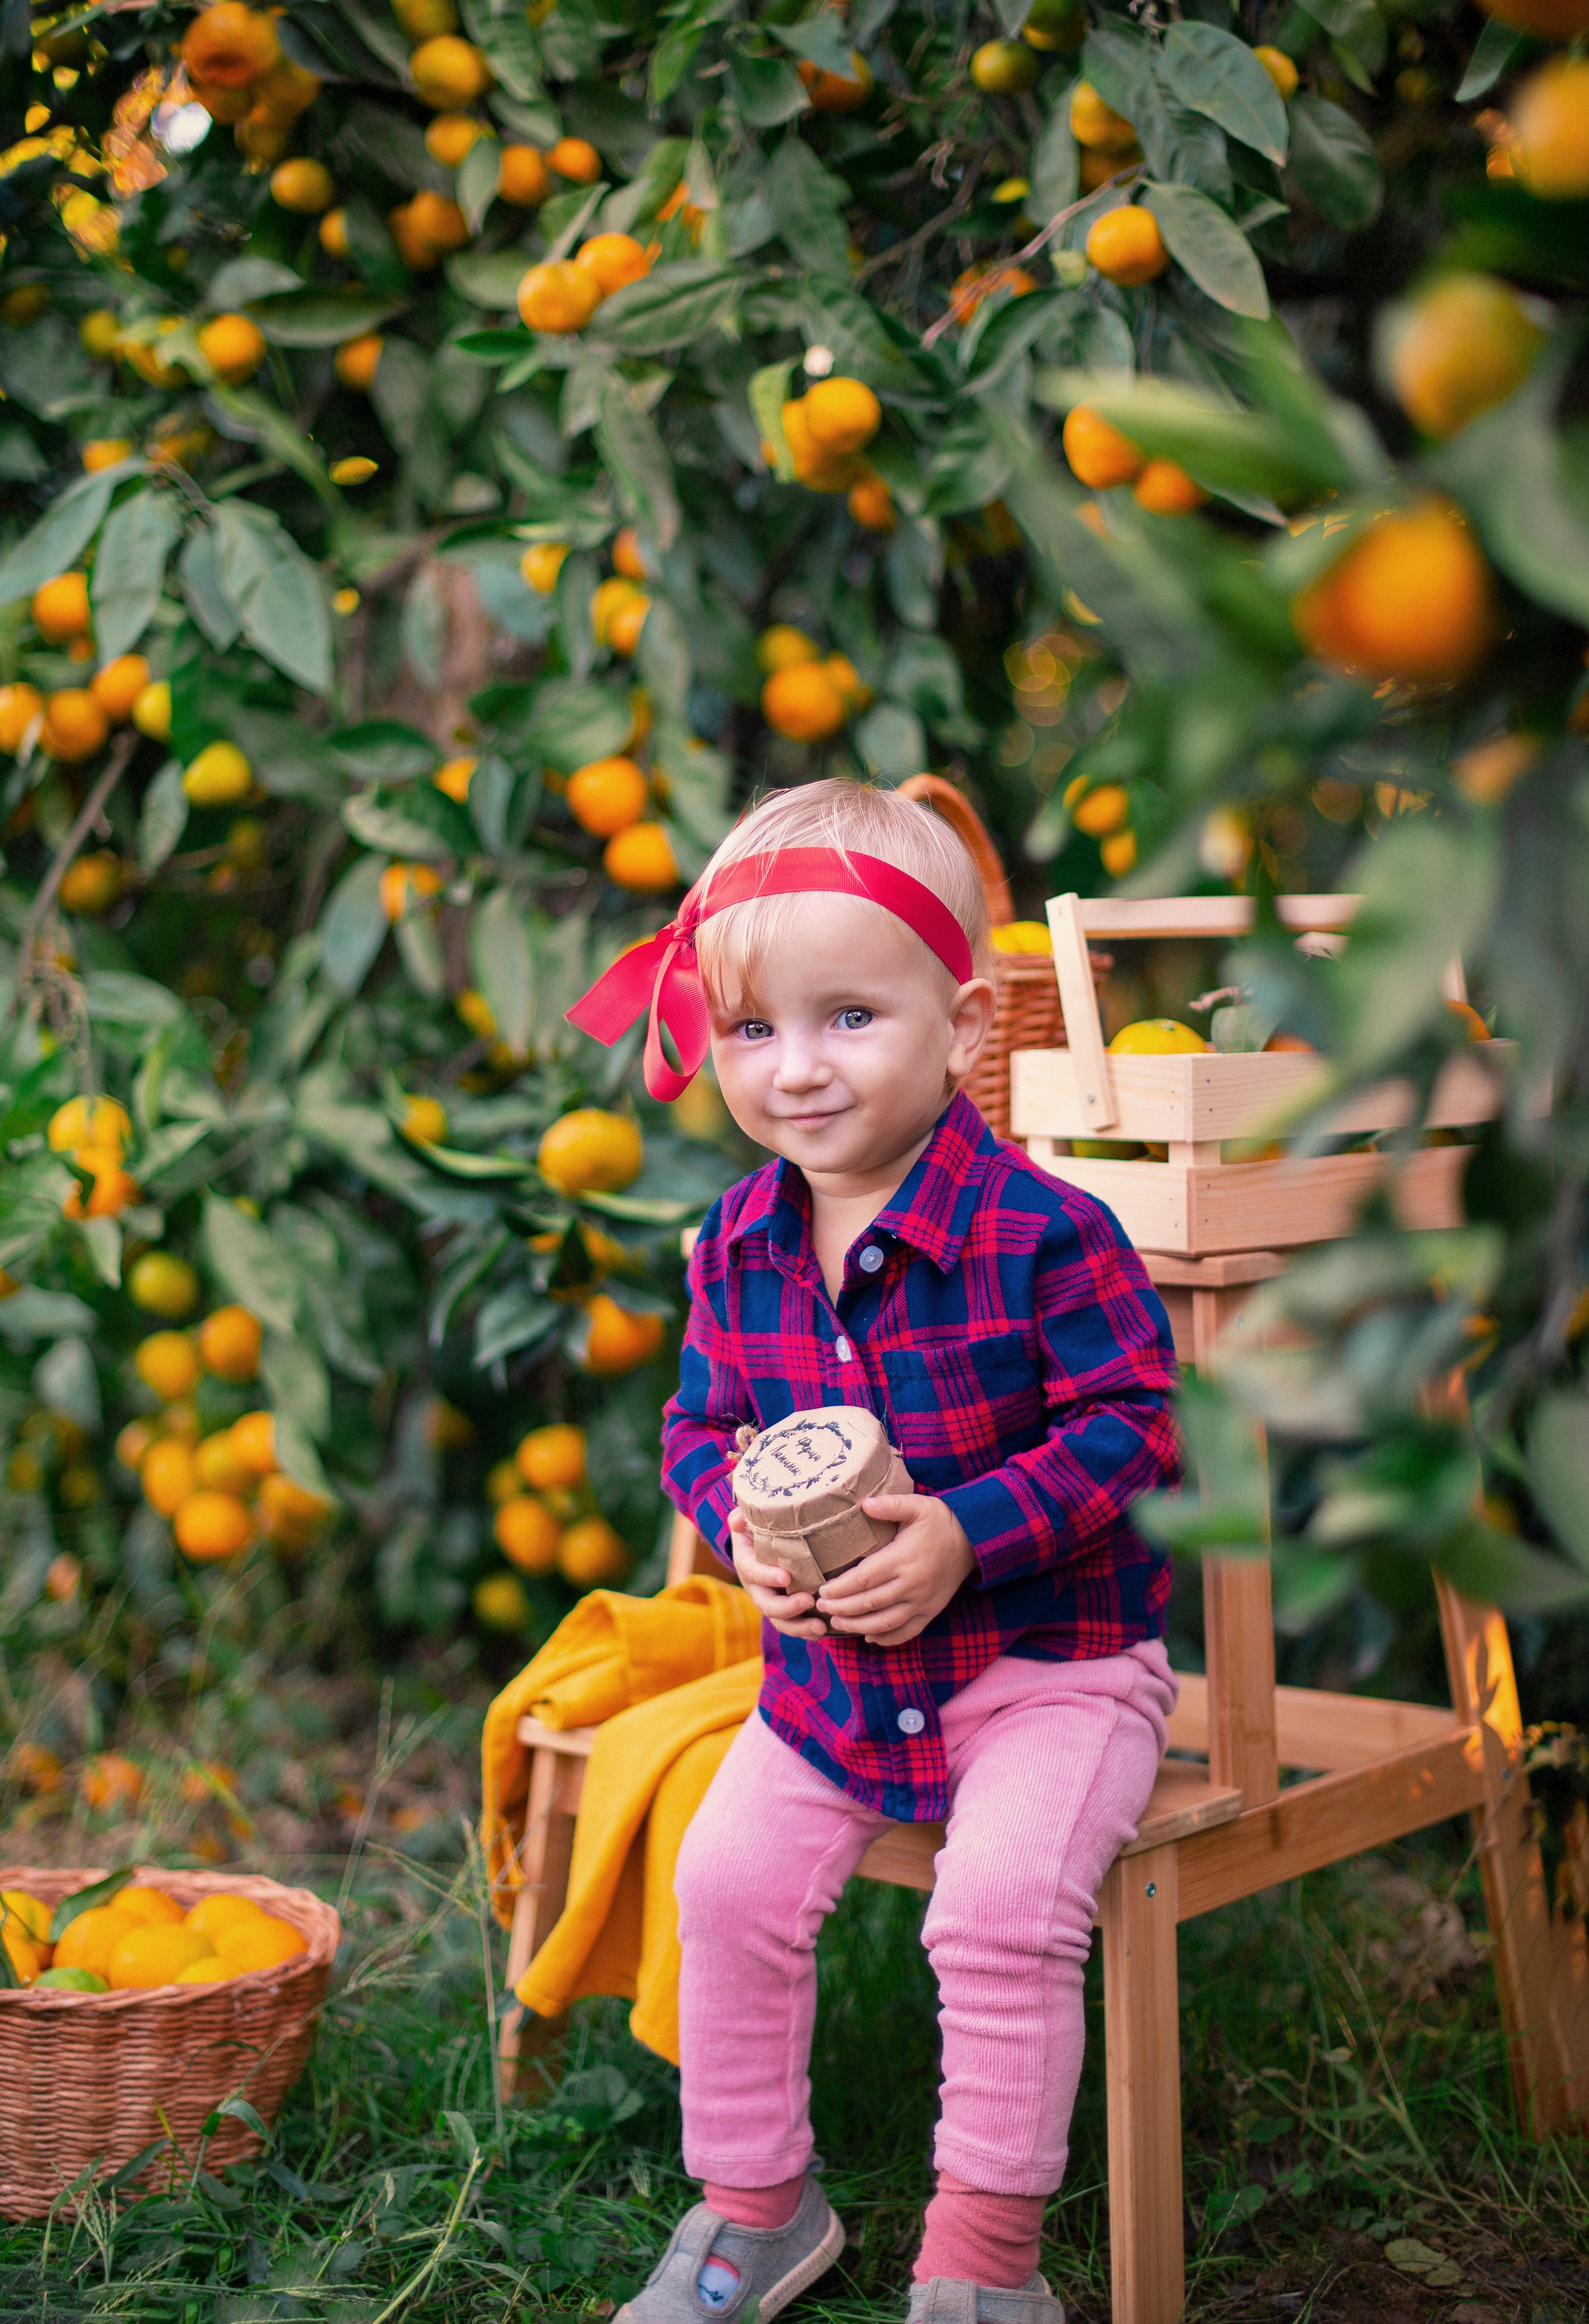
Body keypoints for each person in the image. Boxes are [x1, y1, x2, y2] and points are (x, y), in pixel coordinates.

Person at [566, 779, 1182, 2324]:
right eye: (753, 1030)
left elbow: (1132, 1425)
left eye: (847, 1016)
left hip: (1049, 1666)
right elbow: (698, 1437)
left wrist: (971, 1534)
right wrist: (744, 1545)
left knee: (995, 1910)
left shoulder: (1047, 1232)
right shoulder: (732, 1244)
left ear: (961, 1024)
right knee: (722, 1881)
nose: (796, 1070)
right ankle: (756, 2209)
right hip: (836, 1684)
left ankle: (982, 2258)